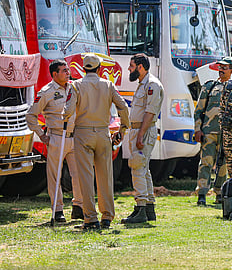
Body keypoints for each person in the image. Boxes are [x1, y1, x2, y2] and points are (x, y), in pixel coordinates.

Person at [63, 54, 129, 230]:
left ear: (84, 69)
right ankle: (107, 217)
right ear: (99, 68)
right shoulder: (108, 85)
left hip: (83, 133)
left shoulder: (75, 86)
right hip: (103, 132)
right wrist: (123, 129)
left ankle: (90, 218)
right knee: (105, 176)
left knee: (85, 177)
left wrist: (65, 118)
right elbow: (123, 106)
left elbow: (68, 110)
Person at [26, 60, 83, 222]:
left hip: (75, 137)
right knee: (55, 175)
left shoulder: (74, 88)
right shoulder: (47, 92)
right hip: (57, 137)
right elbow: (31, 115)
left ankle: (78, 206)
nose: (67, 73)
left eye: (68, 70)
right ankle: (58, 210)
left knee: (78, 174)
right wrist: (41, 134)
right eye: (64, 70)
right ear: (54, 74)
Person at [121, 53, 163, 224]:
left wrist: (140, 134)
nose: (129, 69)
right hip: (139, 130)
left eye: (131, 66)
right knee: (143, 169)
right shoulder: (143, 84)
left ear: (140, 67)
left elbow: (150, 112)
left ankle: (140, 209)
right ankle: (149, 207)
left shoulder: (152, 84)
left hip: (143, 131)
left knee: (137, 168)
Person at [194, 57, 232, 206]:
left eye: (225, 67)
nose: (221, 70)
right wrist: (197, 129)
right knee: (205, 163)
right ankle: (202, 193)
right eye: (220, 67)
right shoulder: (209, 87)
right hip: (209, 132)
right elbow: (198, 111)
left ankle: (220, 193)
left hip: (227, 133)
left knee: (223, 165)